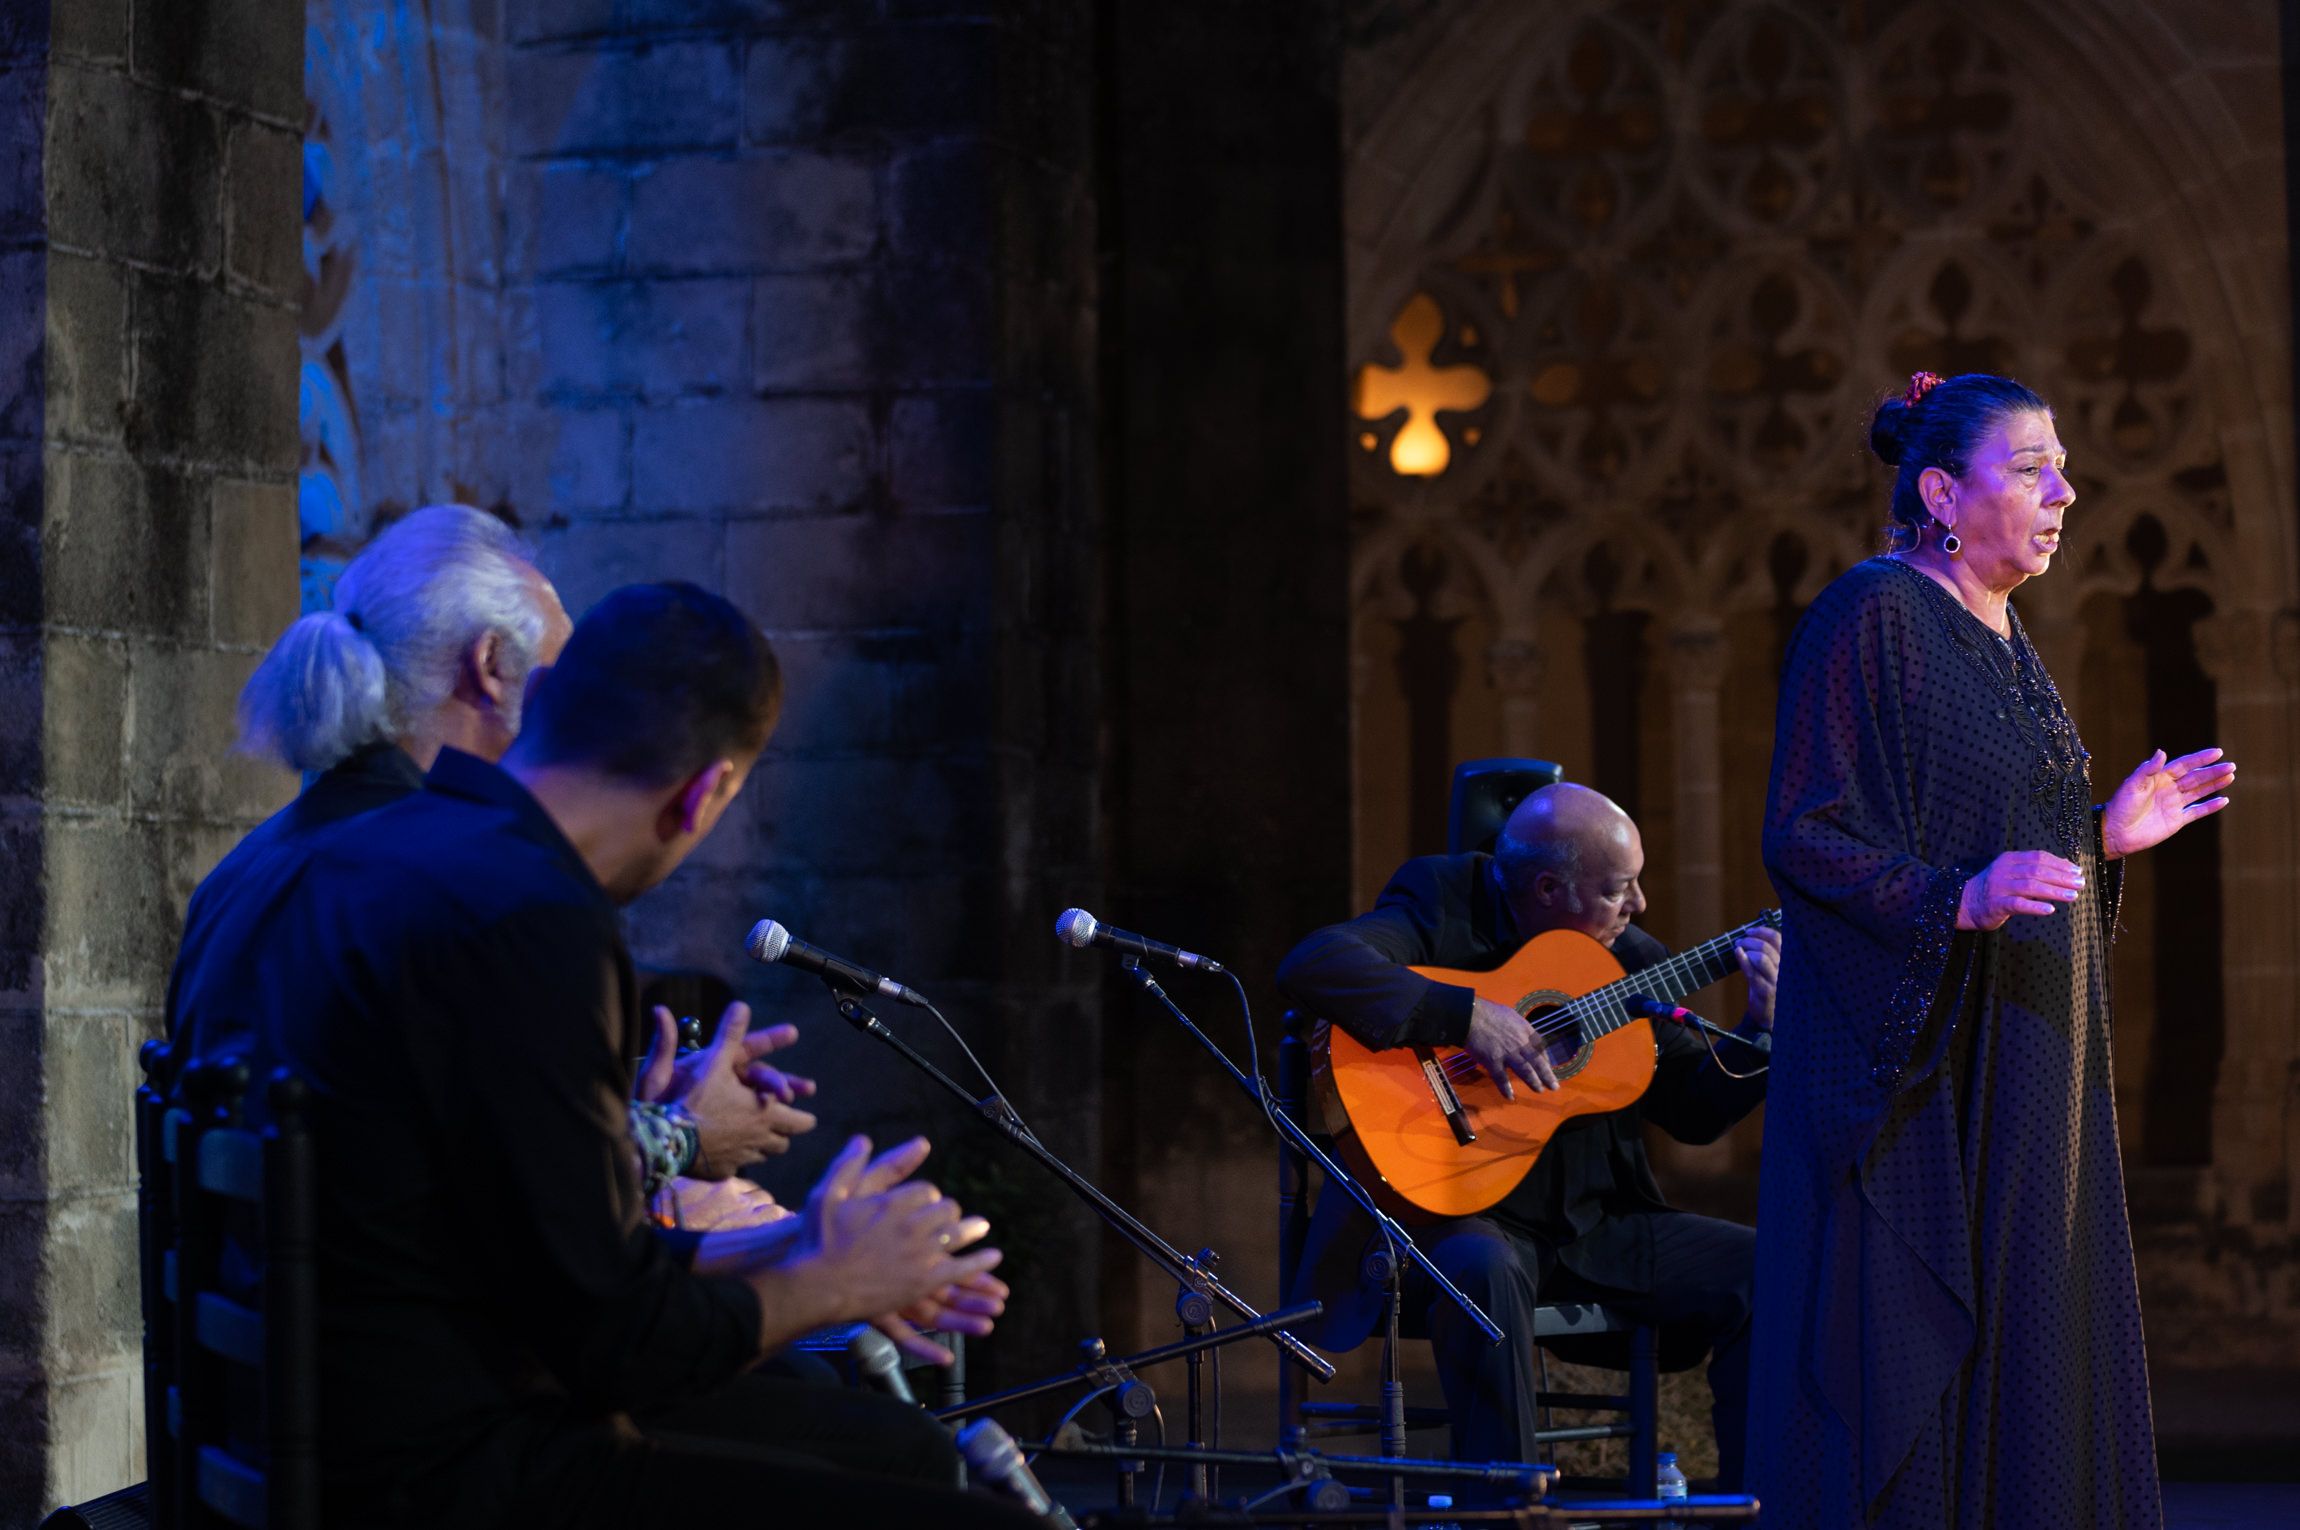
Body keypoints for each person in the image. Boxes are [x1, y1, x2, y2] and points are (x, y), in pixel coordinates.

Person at [169, 582, 1036, 1529]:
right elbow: (620, 1347)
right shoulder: (527, 916)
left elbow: (537, 1255)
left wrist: (806, 1244)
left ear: (538, 701)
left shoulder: (387, 849)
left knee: (898, 1455)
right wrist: (832, 1283)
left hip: (322, 1432)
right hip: (447, 1478)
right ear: (707, 792)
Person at [1746, 372, 2235, 1529]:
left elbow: (2006, 840)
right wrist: (1952, 899)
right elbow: (1803, 831)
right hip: (1923, 1078)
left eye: (2058, 466)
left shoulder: (2007, 637)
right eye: (2027, 468)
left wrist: (2101, 838)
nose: (2062, 490)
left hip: (2027, 1062)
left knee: (2034, 1349)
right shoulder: (1872, 613)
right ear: (1939, 492)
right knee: (1924, 1376)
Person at [171, 503, 805, 1203]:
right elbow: (467, 1204)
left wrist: (628, 1123)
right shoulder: (452, 886)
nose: (572, 710)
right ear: (492, 667)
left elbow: (390, 1122)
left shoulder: (246, 868)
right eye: (560, 676)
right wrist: (680, 1136)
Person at [1277, 782, 1781, 1483]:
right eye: (1619, 890)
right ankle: (1512, 1508)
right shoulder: (1441, 897)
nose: (1638, 906)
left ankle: (1749, 1506)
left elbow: (1696, 1113)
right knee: (1482, 1273)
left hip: (1591, 1226)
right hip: (1459, 1214)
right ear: (1548, 887)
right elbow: (1315, 965)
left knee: (1767, 1270)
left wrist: (1760, 1032)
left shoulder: (1628, 955)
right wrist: (1466, 1016)